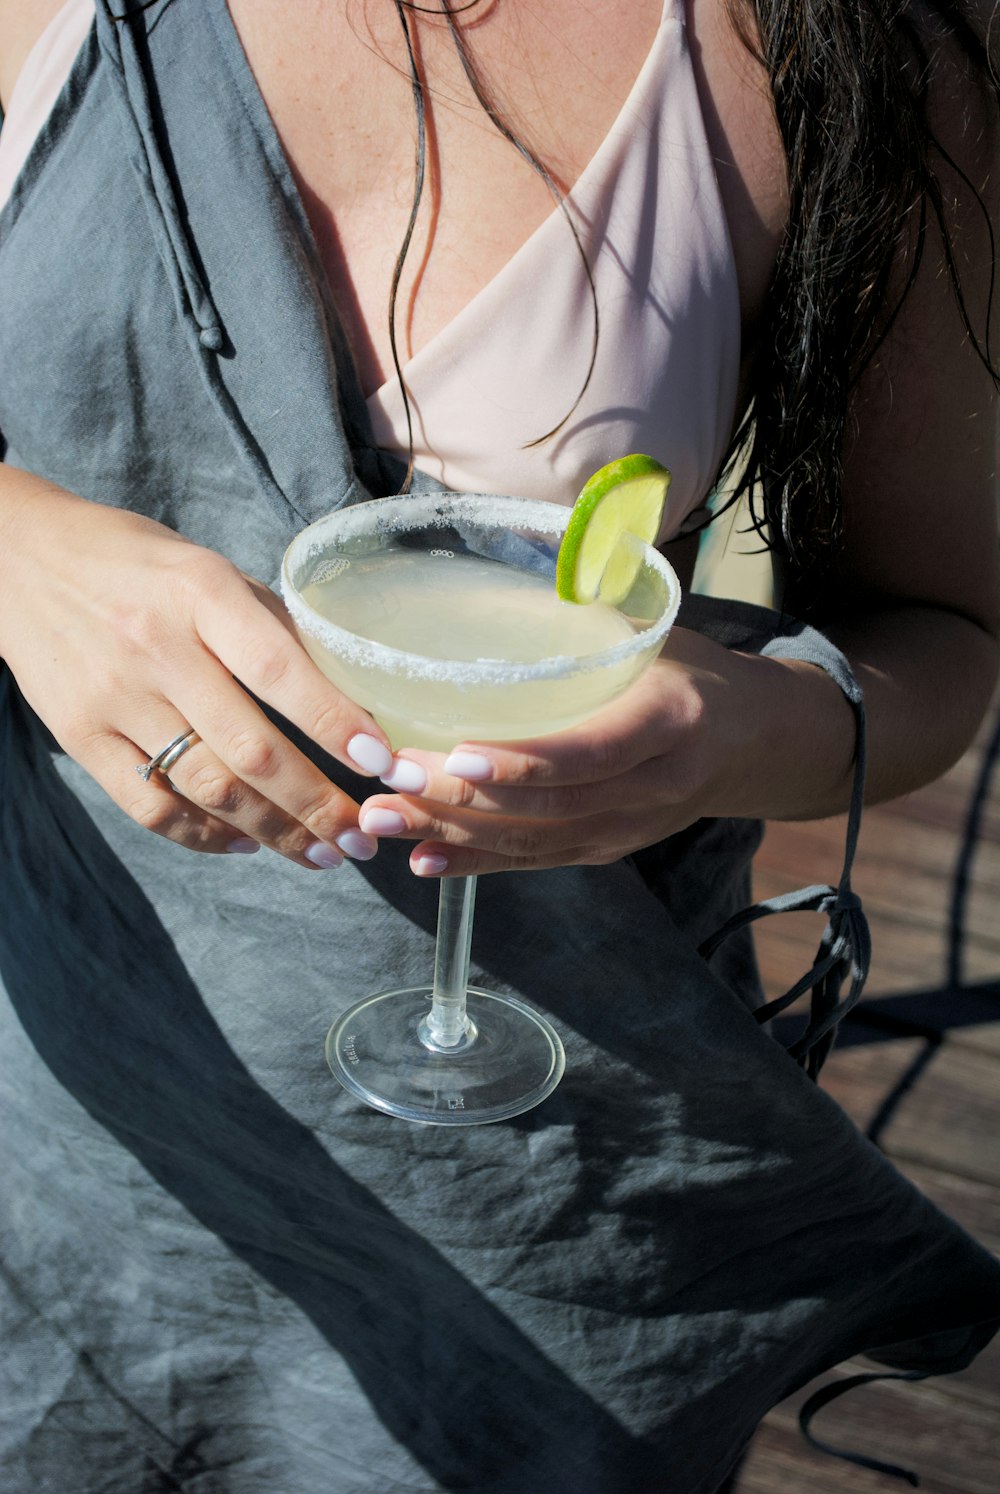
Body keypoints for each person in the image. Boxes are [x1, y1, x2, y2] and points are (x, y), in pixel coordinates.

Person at [0, 2, 997, 1490]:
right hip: (62, 1094)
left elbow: (945, 642)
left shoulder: (848, 39)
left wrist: (735, 732)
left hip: (542, 1199)